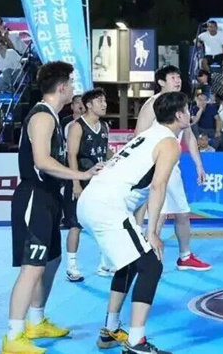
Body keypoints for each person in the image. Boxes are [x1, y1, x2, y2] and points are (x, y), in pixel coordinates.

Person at [78, 92, 190, 354]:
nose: (190, 113)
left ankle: (110, 329)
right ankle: (136, 342)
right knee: (151, 264)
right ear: (178, 115)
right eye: (187, 109)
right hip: (107, 206)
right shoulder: (169, 143)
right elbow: (158, 186)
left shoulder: (150, 134)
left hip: (92, 200)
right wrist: (152, 231)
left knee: (130, 262)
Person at [3, 61, 101, 354]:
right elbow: (42, 161)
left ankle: (35, 321)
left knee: (52, 260)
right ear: (61, 88)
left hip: (49, 198)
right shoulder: (43, 117)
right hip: (34, 197)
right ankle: (13, 336)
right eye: (71, 84)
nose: (73, 90)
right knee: (31, 268)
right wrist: (80, 175)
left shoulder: (55, 118)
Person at [133, 65, 211, 271]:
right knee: (158, 215)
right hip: (155, 167)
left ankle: (185, 256)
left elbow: (189, 136)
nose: (177, 80)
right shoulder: (152, 104)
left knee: (182, 212)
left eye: (178, 77)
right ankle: (148, 259)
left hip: (173, 167)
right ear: (161, 82)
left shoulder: (181, 104)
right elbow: (138, 136)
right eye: (172, 77)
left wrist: (199, 164)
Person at [65, 88, 111, 283]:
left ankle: (105, 264)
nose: (104, 104)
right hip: (81, 181)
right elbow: (71, 155)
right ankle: (71, 266)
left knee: (104, 222)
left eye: (105, 101)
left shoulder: (104, 126)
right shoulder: (77, 127)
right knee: (75, 225)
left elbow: (106, 152)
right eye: (100, 101)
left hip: (99, 183)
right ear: (89, 105)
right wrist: (76, 183)